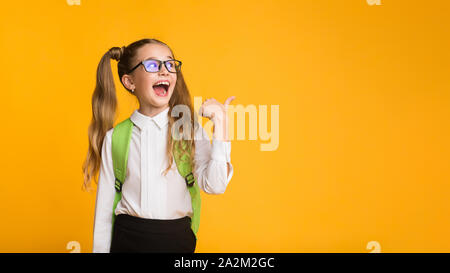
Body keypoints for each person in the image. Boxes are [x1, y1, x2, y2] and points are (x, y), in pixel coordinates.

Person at [82, 38, 235, 253]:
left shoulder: (188, 130)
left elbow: (215, 185)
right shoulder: (115, 137)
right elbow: (105, 212)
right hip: (127, 240)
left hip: (176, 240)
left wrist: (221, 124)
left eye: (170, 64)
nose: (164, 71)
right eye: (153, 65)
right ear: (130, 82)